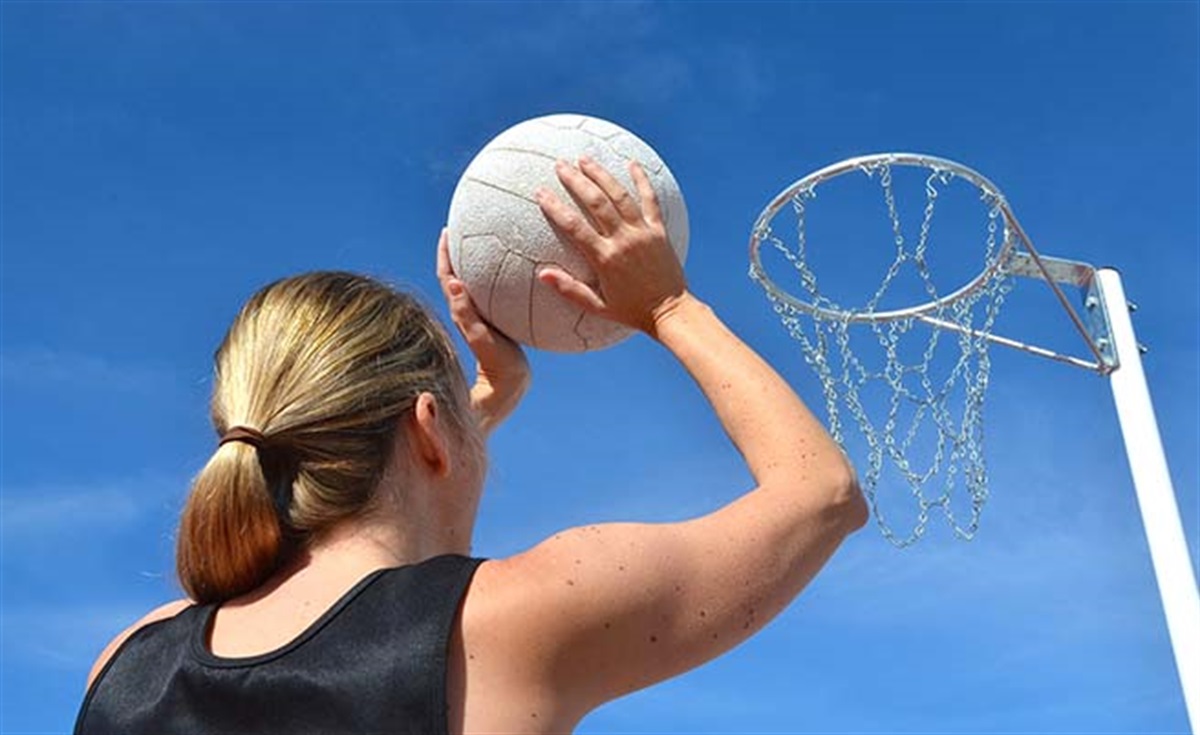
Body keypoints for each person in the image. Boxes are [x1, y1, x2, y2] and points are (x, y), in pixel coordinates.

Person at [74, 157, 867, 734]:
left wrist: (468, 413)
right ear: (425, 429)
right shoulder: (500, 624)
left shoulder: (129, 662)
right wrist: (667, 302)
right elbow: (821, 495)